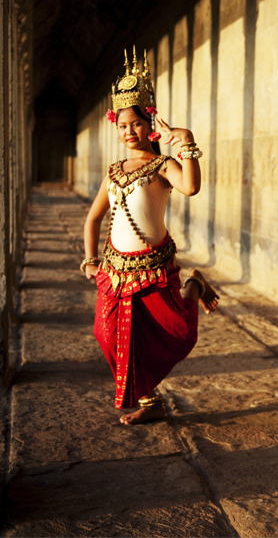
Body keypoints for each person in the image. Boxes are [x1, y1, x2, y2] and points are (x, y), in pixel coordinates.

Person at [82, 48, 219, 425]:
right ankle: (149, 399)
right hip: (114, 270)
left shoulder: (162, 165)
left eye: (137, 125)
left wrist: (186, 141)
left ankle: (194, 288)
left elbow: (190, 187)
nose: (130, 132)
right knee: (108, 334)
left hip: (154, 268)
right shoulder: (113, 171)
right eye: (123, 126)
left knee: (176, 333)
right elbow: (93, 218)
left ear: (151, 125)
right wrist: (90, 260)